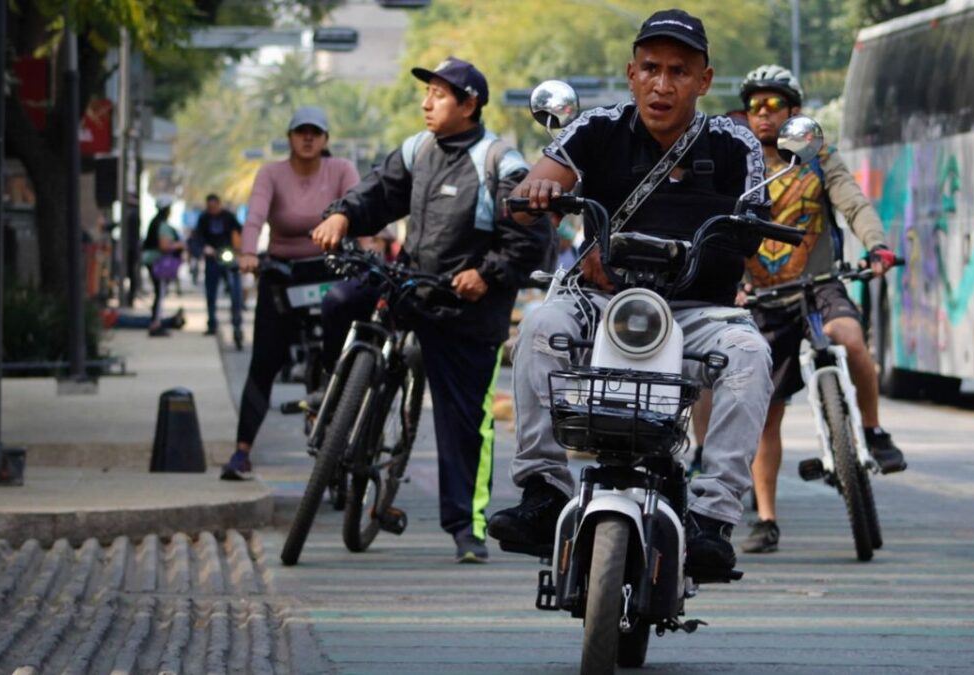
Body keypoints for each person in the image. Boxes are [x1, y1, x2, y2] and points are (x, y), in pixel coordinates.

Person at [487, 9, 772, 579]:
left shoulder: (736, 143)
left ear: (704, 80)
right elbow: (525, 192)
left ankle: (713, 520)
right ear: (631, 73)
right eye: (651, 68)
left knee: (751, 355)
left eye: (679, 71)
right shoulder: (596, 128)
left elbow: (753, 235)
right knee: (540, 330)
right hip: (605, 304)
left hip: (698, 312)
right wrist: (538, 189)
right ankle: (543, 491)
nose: (663, 84)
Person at [311, 57, 549, 563]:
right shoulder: (417, 149)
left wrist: (487, 274)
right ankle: (333, 399)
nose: (426, 103)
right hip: (410, 286)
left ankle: (468, 528)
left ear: (469, 104)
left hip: (466, 307)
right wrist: (341, 215)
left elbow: (532, 234)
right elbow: (377, 192)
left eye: (439, 95)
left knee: (464, 422)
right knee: (338, 302)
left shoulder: (500, 162)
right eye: (428, 94)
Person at [733, 64, 904, 555]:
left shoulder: (817, 156)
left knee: (850, 339)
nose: (763, 116)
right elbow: (720, 226)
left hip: (821, 285)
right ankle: (765, 519)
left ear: (795, 112)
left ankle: (872, 433)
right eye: (754, 106)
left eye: (774, 105)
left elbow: (853, 203)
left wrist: (877, 247)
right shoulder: (734, 162)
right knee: (766, 411)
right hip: (762, 297)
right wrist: (728, 283)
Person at [220, 106, 360, 481]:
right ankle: (242, 450)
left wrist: (370, 246)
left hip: (331, 271)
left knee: (350, 355)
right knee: (264, 360)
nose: (309, 138)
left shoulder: (342, 169)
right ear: (290, 138)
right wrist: (249, 253)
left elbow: (359, 209)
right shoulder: (271, 173)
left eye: (316, 131)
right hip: (282, 273)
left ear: (326, 139)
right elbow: (255, 217)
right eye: (301, 132)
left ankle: (348, 432)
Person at [194, 193, 244, 348]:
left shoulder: (228, 217)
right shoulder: (203, 218)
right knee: (211, 292)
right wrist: (204, 248)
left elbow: (240, 230)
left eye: (215, 206)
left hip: (228, 256)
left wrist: (240, 249)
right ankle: (211, 322)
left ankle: (237, 324)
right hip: (212, 258)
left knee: (235, 291)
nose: (213, 209)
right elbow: (198, 237)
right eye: (210, 207)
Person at [141, 196, 184, 337]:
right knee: (160, 292)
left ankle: (156, 321)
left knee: (159, 292)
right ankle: (156, 324)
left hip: (152, 260)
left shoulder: (155, 222)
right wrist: (179, 245)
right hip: (157, 262)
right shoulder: (162, 225)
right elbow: (164, 246)